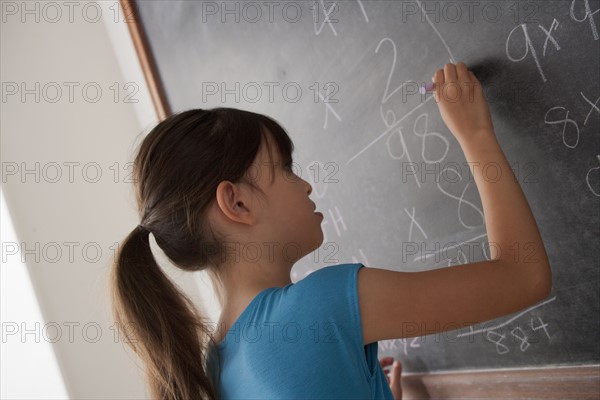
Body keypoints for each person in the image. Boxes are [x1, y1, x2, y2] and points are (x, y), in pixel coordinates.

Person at [110, 62, 552, 399]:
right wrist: (475, 134)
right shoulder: (320, 308)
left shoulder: (215, 364)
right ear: (237, 203)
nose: (305, 184)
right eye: (284, 169)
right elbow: (523, 276)